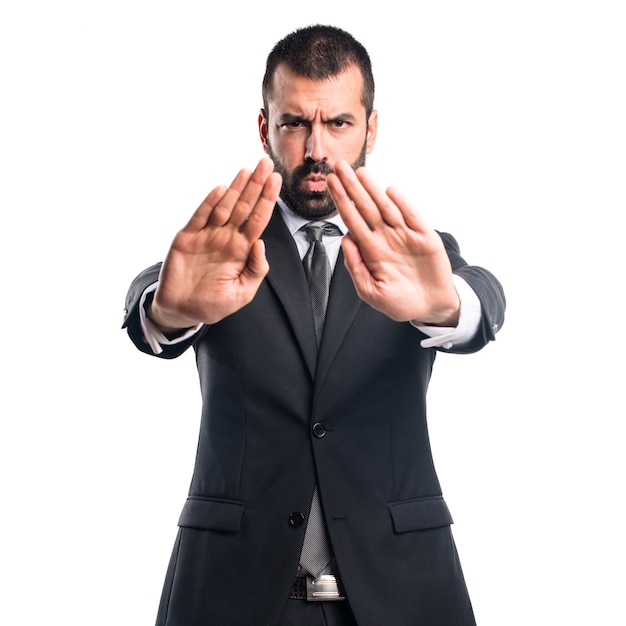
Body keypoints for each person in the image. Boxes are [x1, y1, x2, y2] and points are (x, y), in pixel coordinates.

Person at [123, 24, 505, 626]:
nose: (317, 149)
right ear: (264, 128)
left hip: (400, 591)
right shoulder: (223, 249)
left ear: (371, 129)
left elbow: (482, 297)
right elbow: (154, 298)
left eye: (339, 124)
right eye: (295, 123)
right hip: (233, 593)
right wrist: (168, 313)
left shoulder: (409, 252)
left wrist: (447, 306)